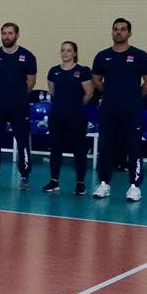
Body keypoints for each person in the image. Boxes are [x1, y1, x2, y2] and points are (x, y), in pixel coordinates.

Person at [91, 18, 147, 202]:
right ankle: (104, 183)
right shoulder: (102, 56)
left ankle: (135, 186)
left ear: (129, 33)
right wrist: (109, 93)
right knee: (106, 146)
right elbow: (96, 79)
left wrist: (136, 97)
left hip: (131, 110)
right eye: (115, 29)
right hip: (109, 109)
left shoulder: (140, 56)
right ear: (112, 32)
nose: (118, 32)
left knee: (133, 147)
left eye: (123, 29)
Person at [0, 23, 37, 190]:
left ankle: (25, 176)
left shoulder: (28, 56)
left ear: (17, 35)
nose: (7, 36)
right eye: (4, 33)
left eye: (10, 33)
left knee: (22, 141)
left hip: (20, 106)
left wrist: (17, 95)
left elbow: (31, 83)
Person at [43, 41, 94, 195]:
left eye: (69, 50)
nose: (65, 53)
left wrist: (76, 107)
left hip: (76, 116)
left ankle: (80, 183)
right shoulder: (54, 71)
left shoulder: (82, 71)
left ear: (75, 53)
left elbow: (89, 93)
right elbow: (52, 90)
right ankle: (54, 181)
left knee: (79, 149)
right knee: (55, 148)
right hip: (57, 115)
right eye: (63, 50)